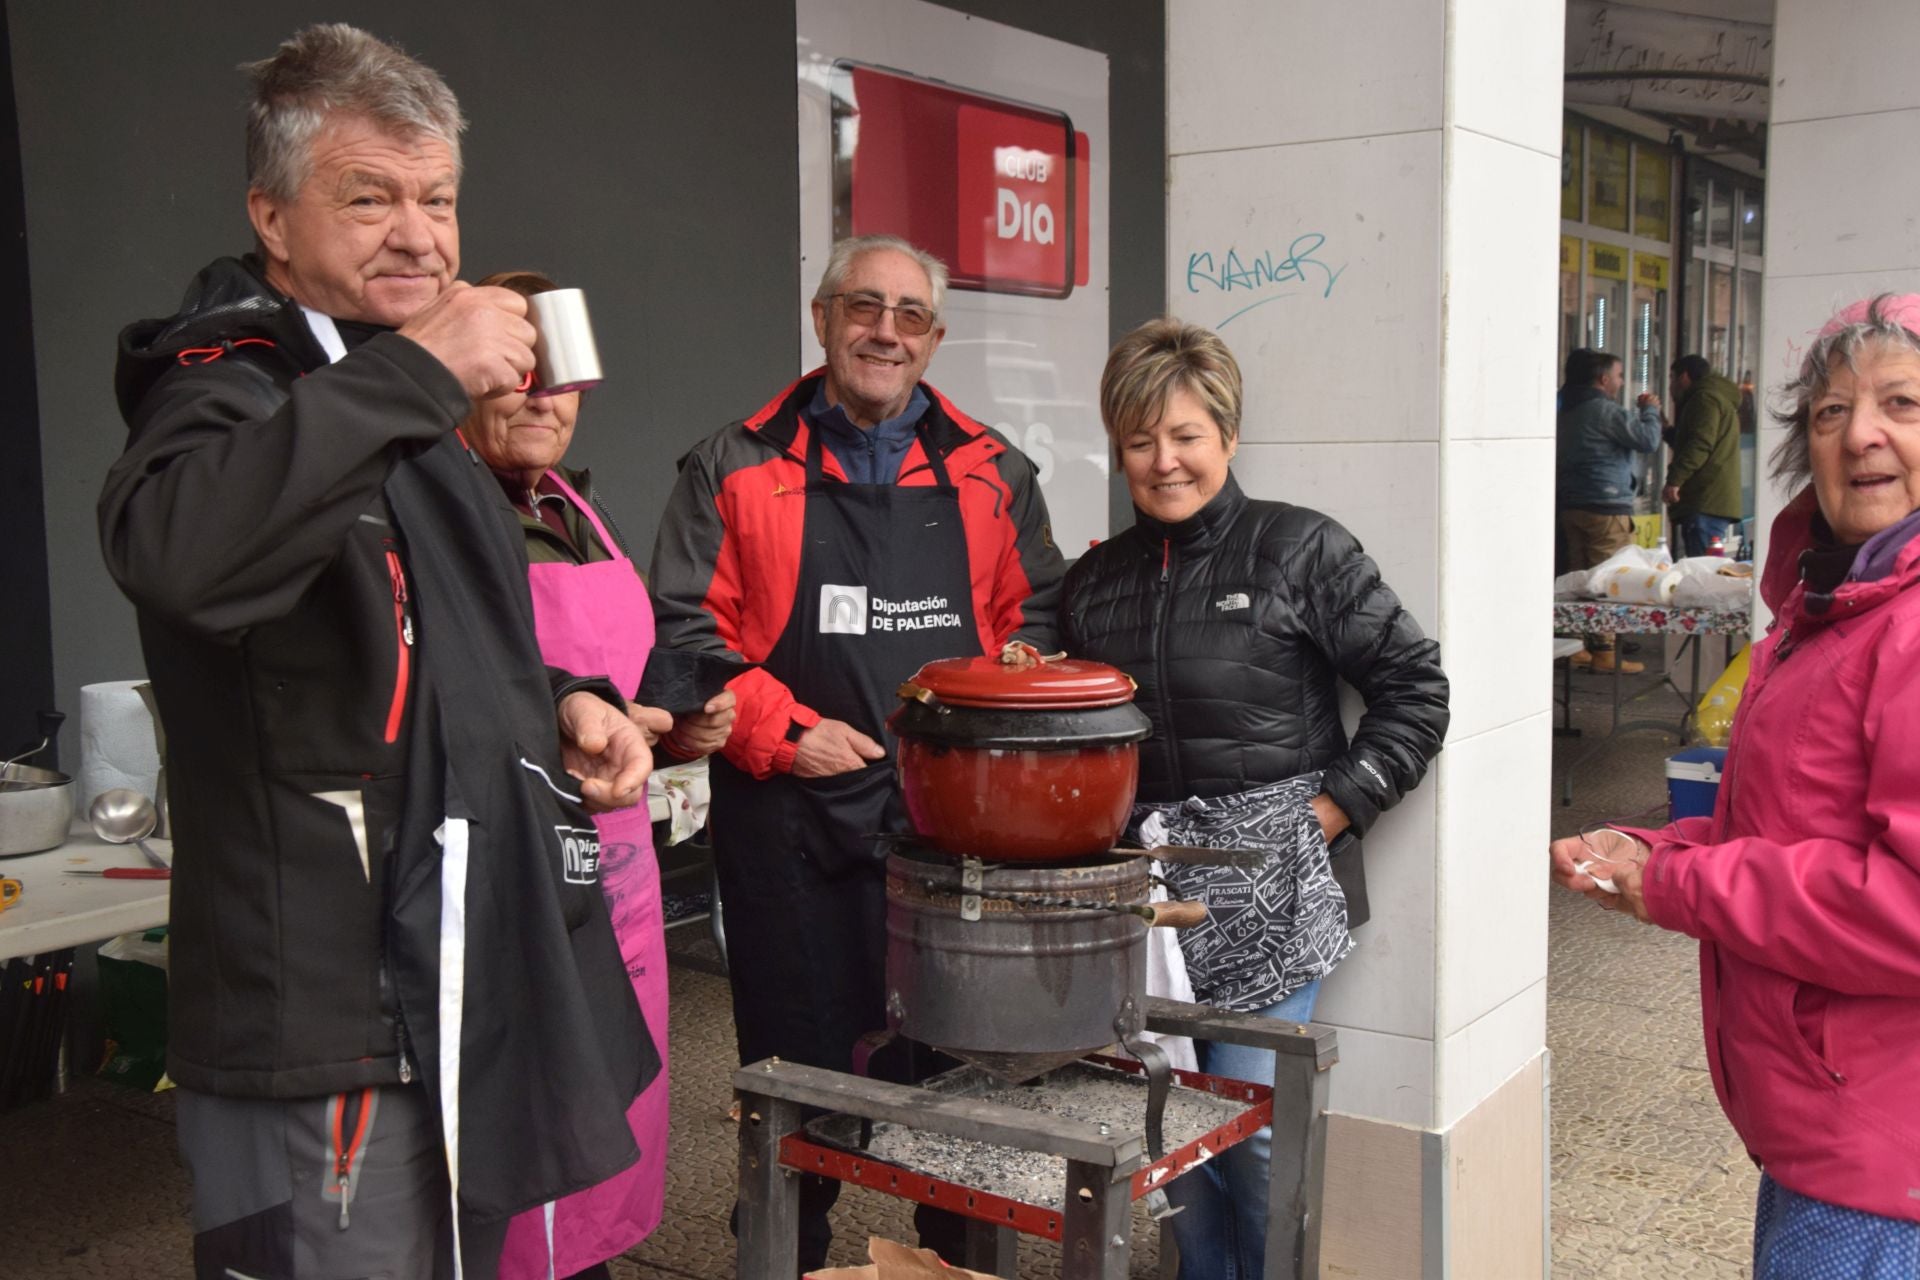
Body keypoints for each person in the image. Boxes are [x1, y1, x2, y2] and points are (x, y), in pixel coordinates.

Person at [97, 28, 657, 1280]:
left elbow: (429, 622)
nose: (419, 233)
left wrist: (563, 702)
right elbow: (179, 552)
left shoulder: (391, 392)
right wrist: (418, 371)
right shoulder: (227, 383)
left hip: (443, 987)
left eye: (439, 197)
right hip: (324, 1022)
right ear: (272, 217)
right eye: (370, 196)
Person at [650, 233, 1065, 1271]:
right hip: (789, 834)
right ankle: (788, 1255)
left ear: (934, 337)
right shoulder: (732, 466)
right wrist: (785, 733)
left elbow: (1044, 614)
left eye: (911, 314)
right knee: (799, 1093)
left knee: (960, 1097)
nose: (887, 330)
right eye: (864, 307)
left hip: (949, 834)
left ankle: (958, 1261)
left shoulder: (993, 471)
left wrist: (1004, 683)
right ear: (822, 316)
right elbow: (681, 635)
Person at [1059, 318, 1449, 1280]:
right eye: (1141, 440)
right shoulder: (1091, 583)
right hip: (1149, 908)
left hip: (1277, 891)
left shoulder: (1300, 548)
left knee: (1255, 1129)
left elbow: (1415, 688)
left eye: (1186, 435)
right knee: (1169, 1128)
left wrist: (1329, 814)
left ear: (1227, 437)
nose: (1165, 461)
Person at [1552, 294, 1920, 1279]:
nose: (1863, 432)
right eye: (1832, 411)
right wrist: (1663, 850)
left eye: (1903, 403)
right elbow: (1791, 824)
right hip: (1819, 1120)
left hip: (1880, 1158)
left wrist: (1679, 886)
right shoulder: (1830, 609)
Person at [458, 270, 735, 1280]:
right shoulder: (446, 517)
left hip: (621, 863)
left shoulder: (583, 505)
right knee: (533, 1122)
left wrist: (684, 716)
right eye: (515, 372)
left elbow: (638, 659)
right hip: (514, 868)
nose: (540, 396)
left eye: (558, 375)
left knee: (620, 1100)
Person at [1557, 347, 1663, 673]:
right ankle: (1604, 652)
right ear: (1603, 379)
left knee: (1577, 578)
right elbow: (1647, 440)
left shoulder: (1566, 408)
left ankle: (1573, 645)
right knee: (1609, 579)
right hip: (1606, 506)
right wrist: (1650, 411)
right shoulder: (1603, 411)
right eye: (1618, 375)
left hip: (1571, 504)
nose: (1620, 382)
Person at [1663, 353, 1744, 556]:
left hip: (1706, 500)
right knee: (1706, 569)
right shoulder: (1714, 398)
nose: (1670, 386)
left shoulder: (1704, 398)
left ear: (1684, 377)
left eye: (1671, 378)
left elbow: (1700, 444)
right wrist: (1664, 428)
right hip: (1710, 499)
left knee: (1703, 573)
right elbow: (1693, 442)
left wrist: (1675, 480)